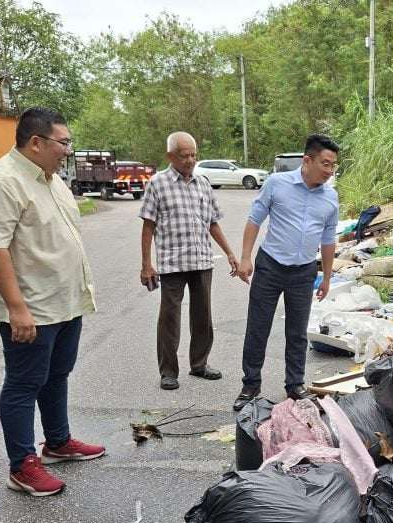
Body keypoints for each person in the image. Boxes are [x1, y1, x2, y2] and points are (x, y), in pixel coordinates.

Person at [0, 106, 105, 497]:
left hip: (65, 303)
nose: (67, 150)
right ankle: (22, 465)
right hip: (31, 307)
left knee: (57, 375)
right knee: (24, 383)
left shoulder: (52, 181)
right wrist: (16, 307)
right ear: (35, 143)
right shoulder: (2, 182)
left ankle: (58, 442)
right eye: (63, 142)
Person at [233, 133, 340, 411]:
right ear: (307, 160)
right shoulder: (276, 184)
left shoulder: (331, 196)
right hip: (270, 266)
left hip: (304, 271)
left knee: (297, 332)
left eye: (333, 166)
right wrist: (245, 258)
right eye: (325, 164)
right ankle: (250, 385)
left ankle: (295, 385)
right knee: (258, 327)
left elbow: (329, 238)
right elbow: (254, 219)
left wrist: (326, 276)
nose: (330, 171)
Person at [139, 132, 238, 391]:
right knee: (169, 318)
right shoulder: (157, 183)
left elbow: (212, 222)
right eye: (184, 156)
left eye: (194, 155)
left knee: (203, 315)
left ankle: (200, 364)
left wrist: (228, 252)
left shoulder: (203, 183)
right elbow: (148, 227)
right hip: (172, 262)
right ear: (170, 156)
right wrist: (146, 264)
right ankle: (168, 371)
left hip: (202, 260)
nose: (190, 160)